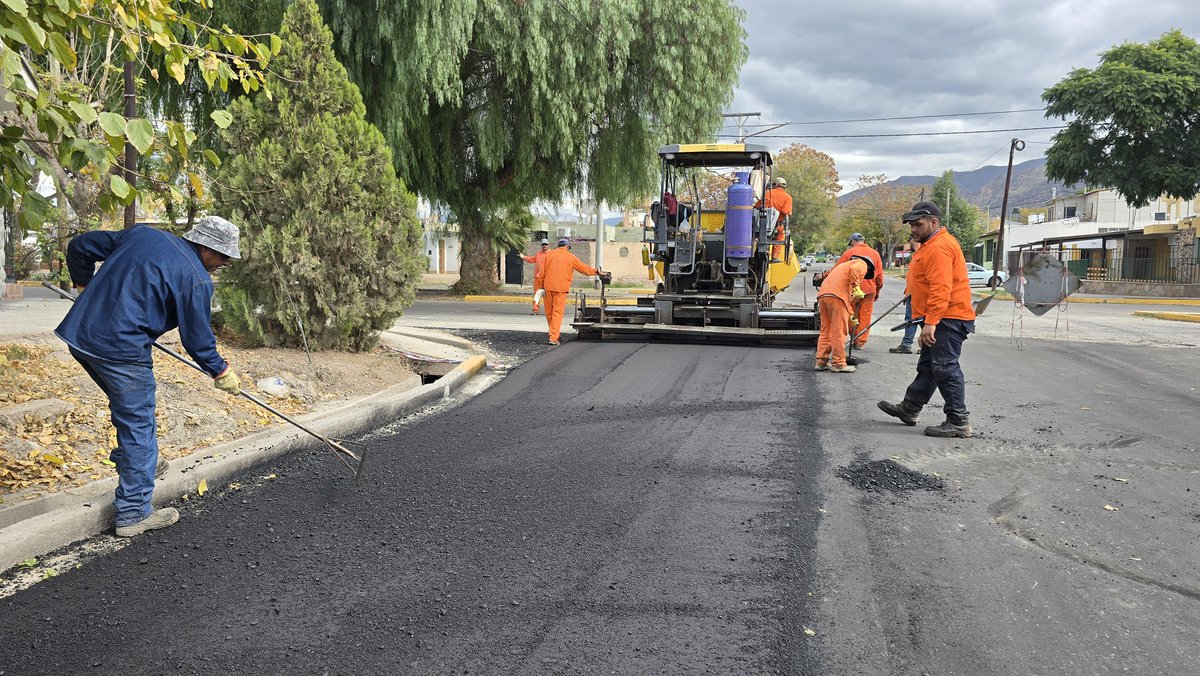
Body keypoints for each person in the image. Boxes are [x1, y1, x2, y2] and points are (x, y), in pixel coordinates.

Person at [55, 217, 243, 536]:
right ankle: (133, 513)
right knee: (139, 421)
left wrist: (83, 287)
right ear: (205, 246)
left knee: (131, 414)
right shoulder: (197, 279)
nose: (226, 262)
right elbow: (197, 341)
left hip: (81, 337)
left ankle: (143, 462)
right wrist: (221, 371)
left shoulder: (143, 236)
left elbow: (79, 247)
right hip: (121, 352)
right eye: (223, 255)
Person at [878, 201, 977, 438]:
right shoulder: (929, 244)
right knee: (929, 367)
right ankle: (910, 409)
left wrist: (931, 322)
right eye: (911, 225)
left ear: (934, 222)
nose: (913, 229)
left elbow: (941, 287)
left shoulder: (939, 247)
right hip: (940, 317)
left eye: (918, 224)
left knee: (944, 367)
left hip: (948, 318)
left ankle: (958, 421)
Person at [535, 238, 603, 345]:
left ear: (558, 246)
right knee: (557, 313)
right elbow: (583, 268)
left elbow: (541, 271)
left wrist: (540, 287)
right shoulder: (570, 257)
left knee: (549, 313)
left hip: (548, 288)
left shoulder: (549, 254)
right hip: (560, 289)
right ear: (567, 247)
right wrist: (596, 272)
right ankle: (553, 338)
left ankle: (554, 334)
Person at [815, 256, 868, 373]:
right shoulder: (861, 264)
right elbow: (855, 270)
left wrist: (850, 315)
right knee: (838, 331)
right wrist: (857, 287)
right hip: (837, 296)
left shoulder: (841, 267)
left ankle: (821, 362)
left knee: (826, 330)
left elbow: (843, 297)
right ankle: (838, 363)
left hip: (824, 295)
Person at [837, 232, 884, 348]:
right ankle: (860, 342)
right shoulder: (875, 254)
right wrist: (877, 291)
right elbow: (879, 276)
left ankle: (853, 337)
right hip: (869, 290)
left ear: (853, 242)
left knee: (851, 315)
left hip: (852, 290)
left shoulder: (849, 253)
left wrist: (824, 276)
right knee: (865, 316)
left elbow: (837, 269)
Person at [890, 237, 922, 354]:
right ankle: (910, 344)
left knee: (914, 320)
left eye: (911, 242)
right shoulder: (916, 256)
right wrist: (907, 292)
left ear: (914, 241)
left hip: (918, 295)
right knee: (917, 320)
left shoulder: (922, 255)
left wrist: (910, 292)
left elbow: (920, 278)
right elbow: (912, 277)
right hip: (913, 294)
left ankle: (909, 344)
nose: (910, 244)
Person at [756, 176, 792, 261]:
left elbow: (757, 206)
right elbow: (786, 211)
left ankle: (758, 253)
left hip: (763, 223)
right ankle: (775, 257)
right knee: (779, 237)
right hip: (777, 225)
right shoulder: (787, 197)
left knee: (759, 237)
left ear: (776, 184)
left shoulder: (768, 193)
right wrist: (789, 213)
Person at [523, 238, 550, 314]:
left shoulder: (551, 254)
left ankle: (550, 310)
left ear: (548, 245)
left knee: (548, 295)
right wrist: (524, 257)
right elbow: (532, 259)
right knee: (536, 294)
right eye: (543, 244)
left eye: (545, 244)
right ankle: (535, 310)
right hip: (538, 278)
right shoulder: (538, 253)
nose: (544, 246)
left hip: (547, 278)